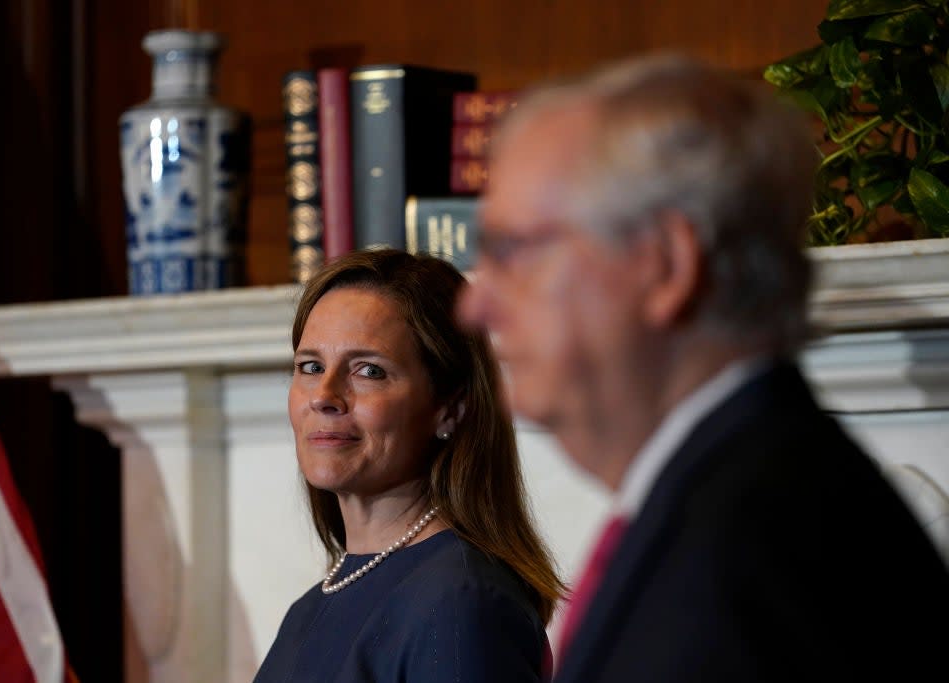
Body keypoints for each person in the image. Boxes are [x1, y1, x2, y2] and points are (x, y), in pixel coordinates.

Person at [456, 54, 949, 682]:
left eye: (514, 251)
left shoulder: (764, 543)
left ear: (663, 266)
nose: (476, 302)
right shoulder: (726, 493)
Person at [252, 248, 564, 682]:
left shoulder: (459, 604)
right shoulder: (308, 610)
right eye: (310, 366)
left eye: (369, 371)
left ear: (450, 408)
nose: (323, 395)